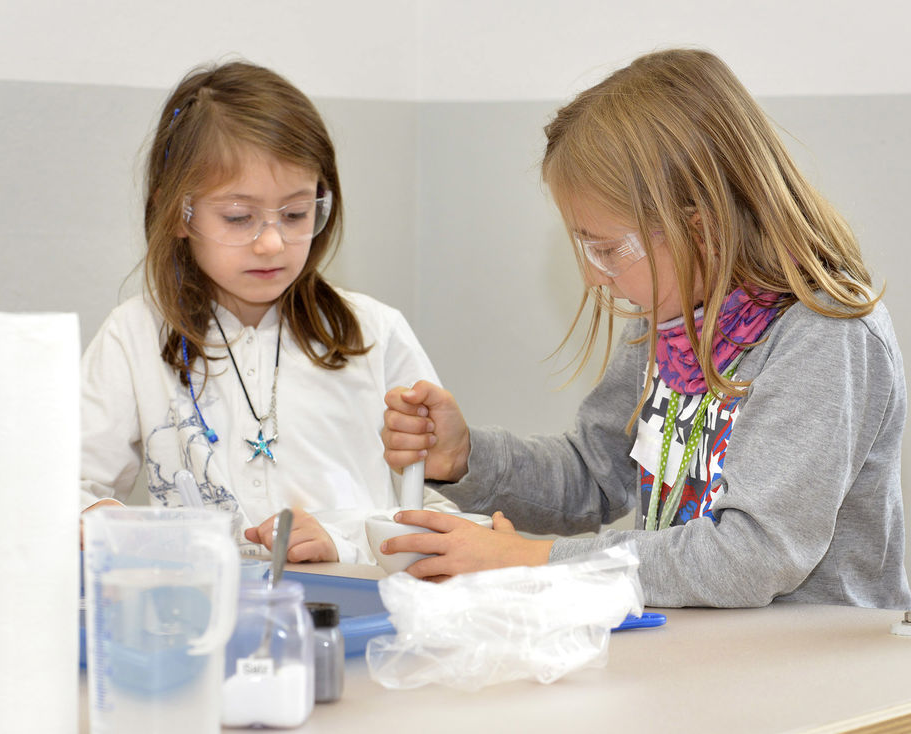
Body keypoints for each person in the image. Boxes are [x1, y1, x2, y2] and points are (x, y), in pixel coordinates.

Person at [380, 48, 911, 608]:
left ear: (698, 227)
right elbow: (594, 475)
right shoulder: (673, 317)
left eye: (607, 249)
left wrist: (531, 561)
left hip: (817, 678)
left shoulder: (824, 334)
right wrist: (467, 456)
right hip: (687, 659)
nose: (591, 276)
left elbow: (751, 555)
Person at [80, 60, 455, 563]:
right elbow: (66, 487)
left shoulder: (374, 332)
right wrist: (114, 524)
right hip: (204, 619)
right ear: (178, 214)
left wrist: (342, 547)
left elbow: (434, 514)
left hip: (353, 616)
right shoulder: (134, 336)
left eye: (297, 214)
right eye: (239, 218)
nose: (272, 243)